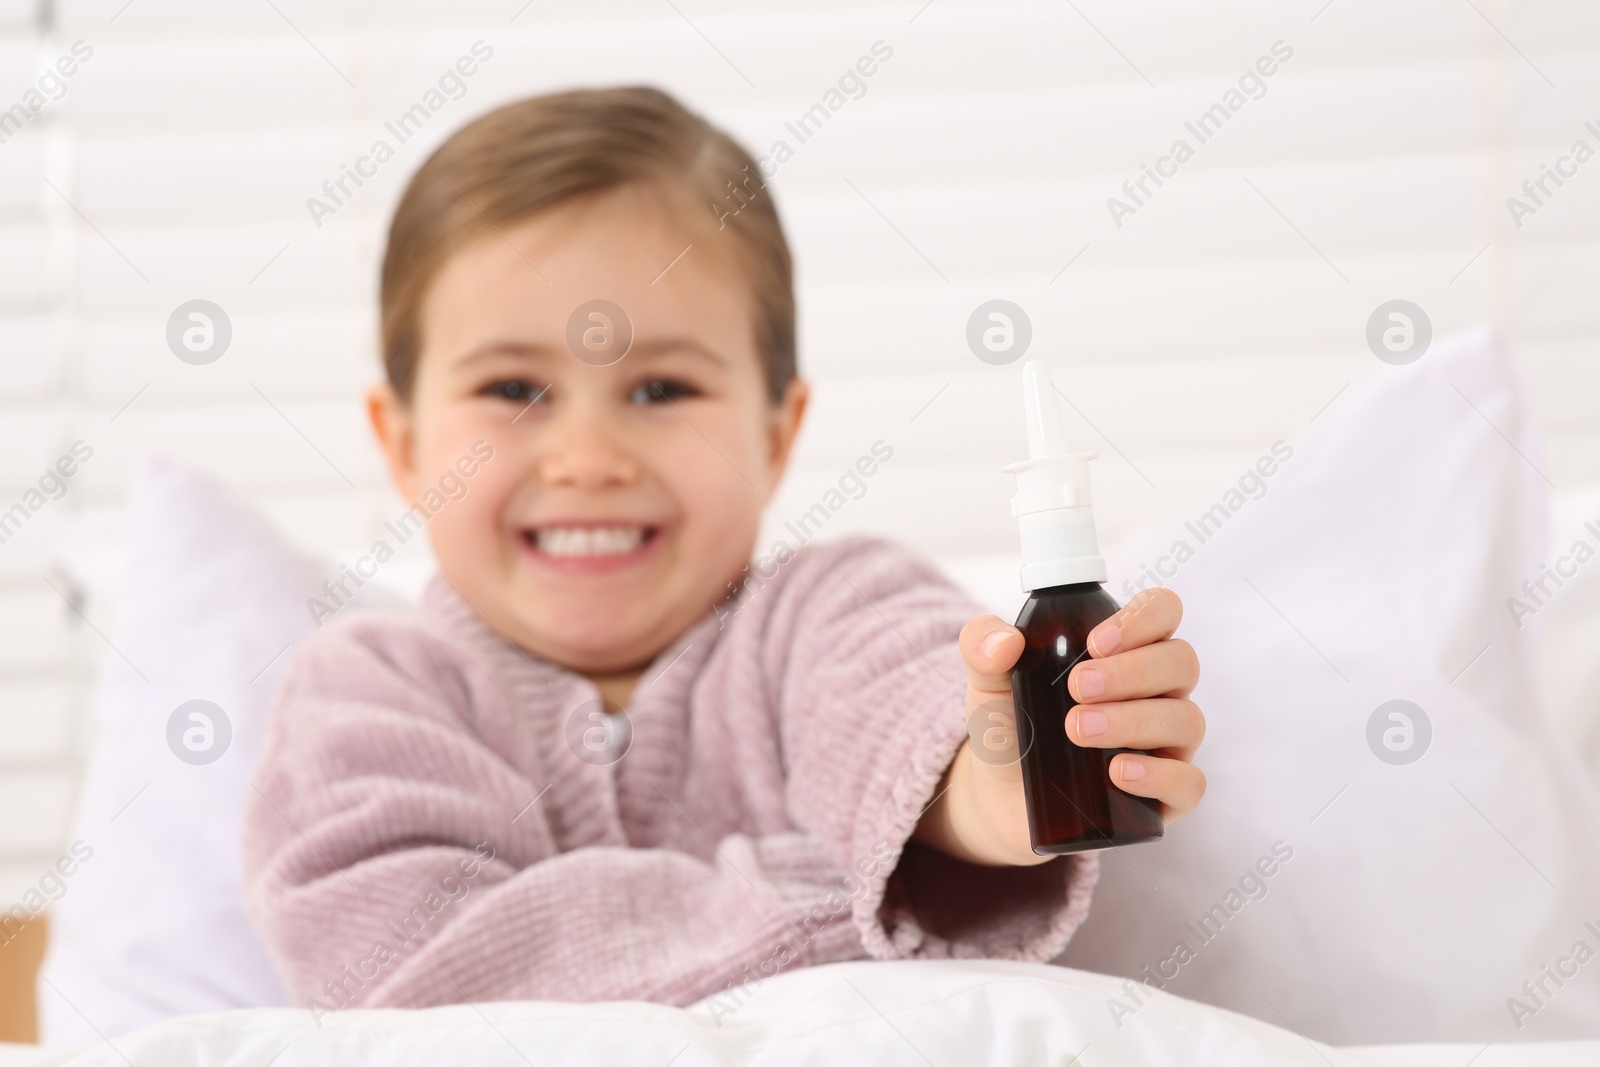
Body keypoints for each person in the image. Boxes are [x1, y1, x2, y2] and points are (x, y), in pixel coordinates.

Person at [241, 86, 1206, 1015]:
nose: (587, 460)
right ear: (404, 444)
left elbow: (910, 720)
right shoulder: (363, 691)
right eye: (512, 389)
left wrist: (993, 787)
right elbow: (421, 976)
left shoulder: (833, 608)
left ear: (776, 433)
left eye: (661, 390)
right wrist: (876, 892)